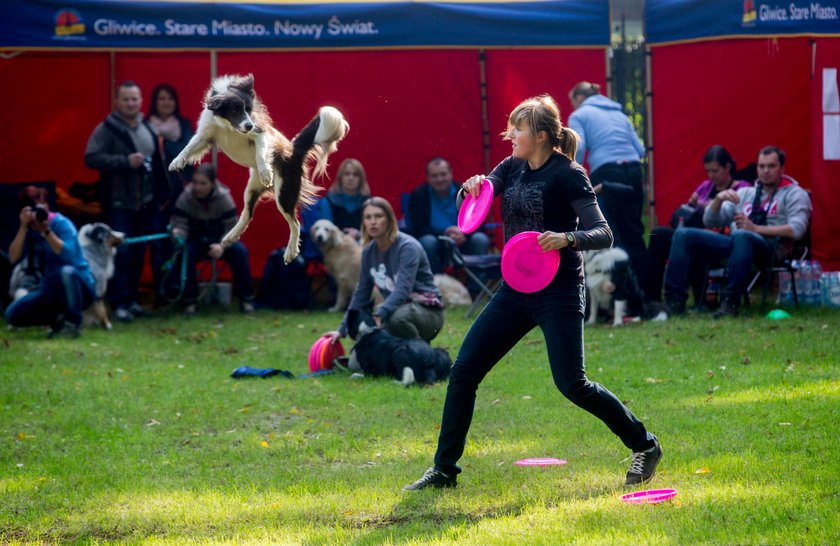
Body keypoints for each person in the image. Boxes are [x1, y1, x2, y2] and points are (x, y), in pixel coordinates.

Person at [403, 95, 661, 491]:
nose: (510, 135)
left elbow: (603, 232)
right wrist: (470, 188)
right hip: (514, 288)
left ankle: (644, 445)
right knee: (464, 372)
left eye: (518, 128)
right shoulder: (512, 166)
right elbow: (474, 203)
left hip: (558, 291)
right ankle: (443, 470)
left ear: (540, 135)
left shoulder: (568, 174)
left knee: (572, 383)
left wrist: (567, 237)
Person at [663, 146, 812, 318]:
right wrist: (718, 200)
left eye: (771, 166)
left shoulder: (795, 194)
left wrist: (755, 229)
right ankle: (674, 301)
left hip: (770, 249)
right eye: (761, 166)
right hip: (735, 243)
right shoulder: (745, 192)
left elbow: (797, 230)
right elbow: (710, 221)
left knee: (742, 235)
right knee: (683, 234)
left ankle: (730, 302)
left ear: (782, 168)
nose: (765, 171)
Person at [84, 80, 169, 322]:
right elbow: (90, 157)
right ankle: (119, 303)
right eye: (126, 99)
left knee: (138, 253)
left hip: (146, 202)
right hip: (119, 203)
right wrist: (124, 161)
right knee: (121, 254)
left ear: (141, 101)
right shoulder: (106, 129)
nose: (131, 103)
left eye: (134, 99)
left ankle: (131, 301)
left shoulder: (147, 126)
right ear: (117, 102)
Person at [324, 196, 444, 343]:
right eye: (368, 217)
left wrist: (379, 315)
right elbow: (361, 293)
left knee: (397, 320)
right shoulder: (368, 251)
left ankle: (419, 353)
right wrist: (342, 330)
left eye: (378, 216)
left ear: (389, 220)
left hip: (426, 311)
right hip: (394, 310)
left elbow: (402, 290)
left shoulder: (407, 247)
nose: (373, 222)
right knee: (358, 361)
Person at [644, 145, 751, 304]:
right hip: (694, 234)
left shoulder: (742, 188)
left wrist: (707, 205)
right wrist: (692, 205)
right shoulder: (705, 186)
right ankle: (652, 299)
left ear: (727, 167)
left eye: (715, 171)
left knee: (690, 241)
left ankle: (679, 298)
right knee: (659, 235)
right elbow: (690, 214)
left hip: (723, 239)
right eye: (708, 171)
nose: (711, 176)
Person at [568, 82, 647, 282]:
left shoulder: (579, 115)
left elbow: (579, 147)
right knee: (633, 230)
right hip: (633, 172)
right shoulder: (620, 115)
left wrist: (572, 173)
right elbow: (640, 150)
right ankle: (645, 294)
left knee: (608, 232)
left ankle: (619, 290)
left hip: (606, 174)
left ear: (578, 98)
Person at [4, 187, 95, 338]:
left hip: (80, 287)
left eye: (43, 203)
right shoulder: (29, 230)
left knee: (66, 272)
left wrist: (46, 232)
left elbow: (69, 256)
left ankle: (73, 325)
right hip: (51, 288)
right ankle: (57, 320)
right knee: (12, 314)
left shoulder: (62, 224)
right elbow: (12, 258)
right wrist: (23, 227)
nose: (41, 210)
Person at [169, 164, 255, 315]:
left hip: (220, 240)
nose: (197, 187)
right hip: (195, 240)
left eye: (203, 183)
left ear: (212, 183)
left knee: (240, 253)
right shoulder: (185, 198)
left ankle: (245, 299)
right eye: (195, 182)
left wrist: (222, 246)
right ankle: (190, 302)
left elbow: (233, 228)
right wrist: (178, 234)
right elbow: (180, 224)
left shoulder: (224, 198)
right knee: (185, 254)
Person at [407, 157, 490, 274]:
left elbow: (481, 223)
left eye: (443, 174)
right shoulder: (418, 195)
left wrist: (464, 233)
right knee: (427, 241)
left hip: (464, 240)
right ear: (428, 178)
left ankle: (477, 290)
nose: (439, 179)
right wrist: (445, 234)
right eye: (434, 176)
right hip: (437, 243)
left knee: (480, 239)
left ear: (451, 173)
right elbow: (418, 228)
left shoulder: (466, 192)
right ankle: (435, 286)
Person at [147, 83, 194, 213]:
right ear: (155, 102)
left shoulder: (184, 125)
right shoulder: (145, 125)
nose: (166, 102)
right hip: (153, 189)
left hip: (180, 186)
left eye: (170, 98)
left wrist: (163, 143)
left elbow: (187, 153)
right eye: (161, 99)